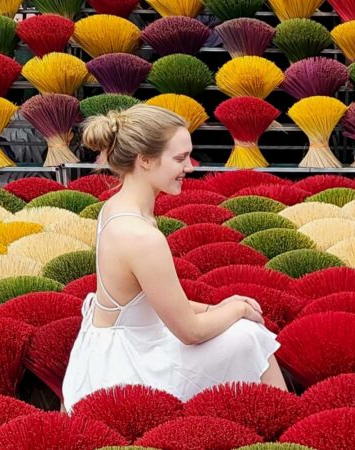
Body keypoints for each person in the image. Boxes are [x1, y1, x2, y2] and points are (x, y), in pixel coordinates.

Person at [61, 104, 286, 412]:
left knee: (245, 332)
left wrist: (218, 307)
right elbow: (190, 332)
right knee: (251, 336)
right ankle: (290, 428)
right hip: (126, 368)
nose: (190, 167)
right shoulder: (141, 235)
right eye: (180, 159)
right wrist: (237, 308)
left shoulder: (116, 207)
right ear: (145, 160)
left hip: (112, 349)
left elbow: (147, 302)